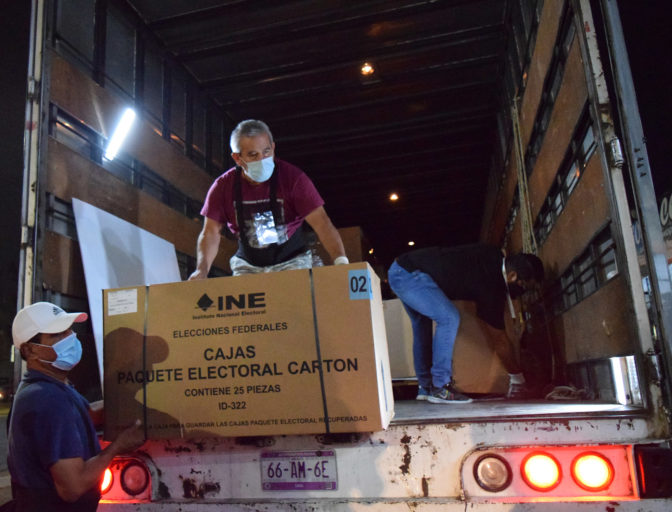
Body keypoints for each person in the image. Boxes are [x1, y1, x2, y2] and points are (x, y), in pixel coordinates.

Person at [7, 301, 146, 511]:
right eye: (56, 335)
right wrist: (117, 447)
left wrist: (131, 401)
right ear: (30, 350)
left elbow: (84, 416)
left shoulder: (50, 388)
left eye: (68, 330)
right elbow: (73, 487)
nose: (69, 338)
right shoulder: (47, 399)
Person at [188, 119, 348, 279]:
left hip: (292, 261)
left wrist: (340, 261)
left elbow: (322, 223)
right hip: (247, 265)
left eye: (266, 152)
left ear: (273, 147)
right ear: (237, 158)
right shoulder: (222, 187)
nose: (262, 160)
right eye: (253, 155)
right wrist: (201, 270)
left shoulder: (294, 179)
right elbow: (210, 232)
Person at [387, 243, 544, 404]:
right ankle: (440, 386)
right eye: (524, 286)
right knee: (449, 318)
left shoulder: (493, 255)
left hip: (401, 269)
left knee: (422, 326)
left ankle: (426, 387)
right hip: (410, 275)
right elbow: (499, 341)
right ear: (512, 276)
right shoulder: (491, 285)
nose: (523, 292)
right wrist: (518, 378)